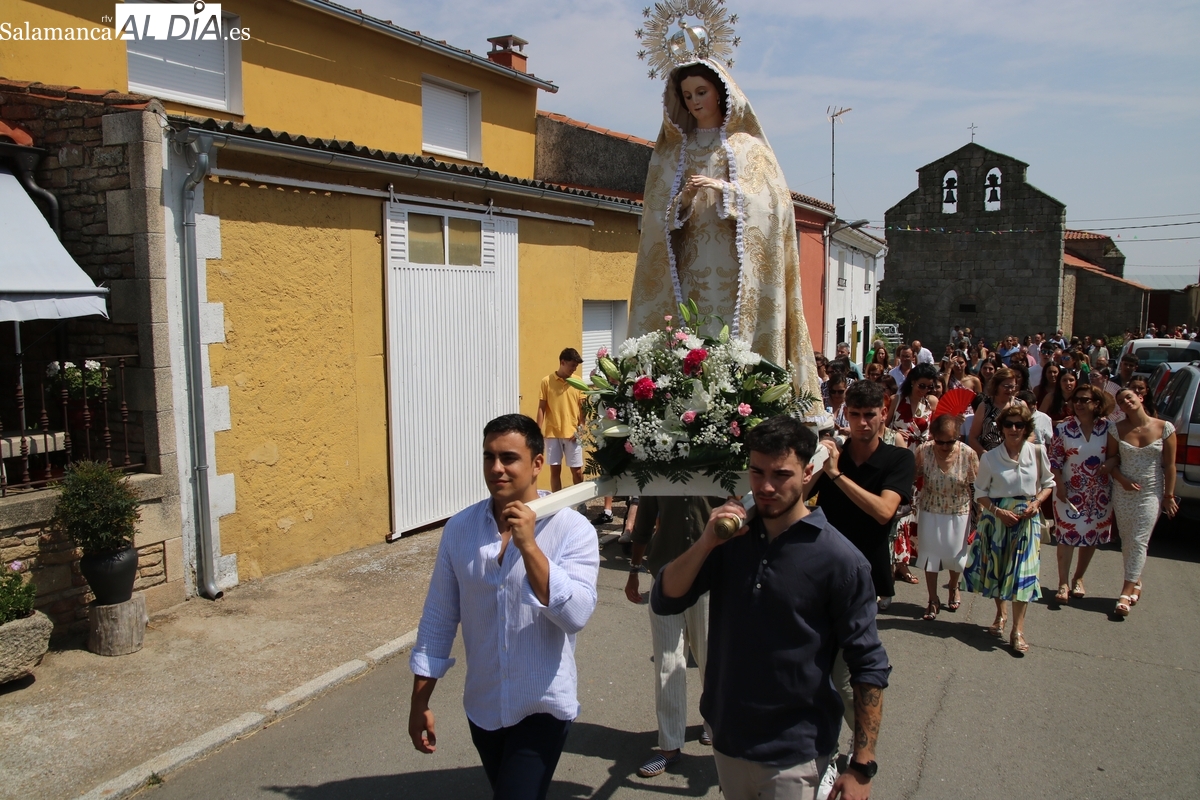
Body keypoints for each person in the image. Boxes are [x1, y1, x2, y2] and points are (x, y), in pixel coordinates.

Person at [654, 416, 891, 800]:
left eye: (781, 474)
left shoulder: (840, 560)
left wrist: (862, 764)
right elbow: (666, 598)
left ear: (808, 471)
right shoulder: (732, 540)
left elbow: (867, 663)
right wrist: (705, 543)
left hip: (795, 752)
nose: (765, 486)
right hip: (727, 739)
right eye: (756, 472)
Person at [408, 414, 600, 800]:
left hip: (542, 705)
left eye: (509, 458)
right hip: (484, 706)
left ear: (537, 464)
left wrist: (529, 545)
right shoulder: (460, 529)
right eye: (488, 457)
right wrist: (419, 702)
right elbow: (439, 618)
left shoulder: (572, 529)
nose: (496, 468)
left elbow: (576, 615)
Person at [628, 59, 824, 421]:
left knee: (737, 345)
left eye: (701, 92)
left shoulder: (751, 148)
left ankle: (747, 410)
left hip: (738, 275)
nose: (695, 102)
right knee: (693, 341)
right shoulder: (671, 153)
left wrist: (726, 192)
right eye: (687, 95)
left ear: (721, 92)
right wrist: (683, 201)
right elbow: (655, 216)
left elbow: (776, 206)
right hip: (689, 274)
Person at [626, 496, 723, 777]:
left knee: (712, 659)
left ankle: (714, 725)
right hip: (666, 575)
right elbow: (644, 521)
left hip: (711, 577)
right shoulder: (657, 463)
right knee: (668, 662)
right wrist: (634, 570)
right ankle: (669, 745)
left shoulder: (718, 458)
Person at [811, 380, 916, 610]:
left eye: (869, 414)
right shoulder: (831, 455)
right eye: (855, 414)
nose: (862, 423)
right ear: (846, 413)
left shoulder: (899, 458)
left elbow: (884, 512)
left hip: (868, 570)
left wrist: (835, 475)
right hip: (823, 565)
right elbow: (795, 499)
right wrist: (814, 458)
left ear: (883, 413)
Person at [963, 403, 1055, 653]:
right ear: (1001, 428)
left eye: (1019, 425)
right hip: (998, 520)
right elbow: (980, 493)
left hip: (1027, 521)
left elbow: (1048, 483)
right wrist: (998, 512)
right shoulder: (991, 457)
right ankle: (1000, 614)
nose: (1014, 429)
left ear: (1027, 428)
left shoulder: (1036, 452)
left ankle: (1018, 631)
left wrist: (1036, 502)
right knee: (999, 571)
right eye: (1009, 424)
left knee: (1023, 576)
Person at [1107, 388, 1178, 616]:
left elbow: (1169, 465)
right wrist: (1122, 480)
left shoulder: (1165, 428)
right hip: (1123, 492)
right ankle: (1136, 581)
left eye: (1129, 397)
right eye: (1121, 401)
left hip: (1151, 493)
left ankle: (1125, 593)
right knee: (1127, 540)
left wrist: (1168, 496)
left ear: (1140, 397)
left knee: (1139, 540)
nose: (1126, 402)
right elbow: (1111, 461)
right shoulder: (1116, 429)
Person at [1048, 385, 1114, 605]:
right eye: (1076, 399)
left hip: (1099, 492)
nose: (1079, 404)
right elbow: (1054, 460)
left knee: (1090, 537)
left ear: (1096, 403)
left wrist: (1110, 464)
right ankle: (1063, 583)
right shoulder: (1064, 428)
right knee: (1066, 536)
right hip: (1068, 489)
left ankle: (1079, 577)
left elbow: (1117, 455)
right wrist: (1060, 485)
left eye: (1085, 400)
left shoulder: (1108, 428)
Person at [913, 414, 979, 620]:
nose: (943, 446)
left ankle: (953, 586)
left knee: (955, 557)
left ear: (957, 436)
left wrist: (978, 516)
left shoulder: (968, 453)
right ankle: (932, 599)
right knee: (929, 556)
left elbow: (976, 486)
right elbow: (914, 475)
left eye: (949, 441)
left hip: (959, 510)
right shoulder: (924, 451)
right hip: (930, 508)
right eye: (939, 441)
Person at [889, 363, 940, 585]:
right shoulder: (896, 400)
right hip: (900, 458)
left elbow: (936, 431)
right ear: (911, 381)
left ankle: (905, 561)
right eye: (921, 385)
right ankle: (896, 561)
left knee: (915, 513)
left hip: (922, 460)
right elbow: (884, 425)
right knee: (900, 511)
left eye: (929, 387)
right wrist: (895, 432)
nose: (925, 390)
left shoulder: (932, 403)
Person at [537, 348, 585, 492]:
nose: (574, 369)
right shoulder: (546, 381)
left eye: (576, 366)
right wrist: (536, 431)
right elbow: (541, 408)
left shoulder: (578, 382)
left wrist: (581, 428)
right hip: (553, 433)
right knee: (555, 471)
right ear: (562, 362)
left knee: (577, 472)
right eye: (572, 365)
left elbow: (584, 408)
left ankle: (581, 503)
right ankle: (558, 507)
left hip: (573, 434)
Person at [968, 366, 1018, 454]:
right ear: (996, 386)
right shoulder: (984, 407)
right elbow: (973, 437)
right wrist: (986, 455)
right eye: (1006, 386)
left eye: (1012, 386)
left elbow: (1030, 434)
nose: (1010, 390)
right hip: (990, 458)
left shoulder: (1020, 405)